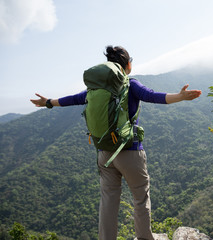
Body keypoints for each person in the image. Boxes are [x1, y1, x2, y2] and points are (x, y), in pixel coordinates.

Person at [30, 45, 202, 240]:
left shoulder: (96, 90)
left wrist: (48, 102)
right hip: (130, 152)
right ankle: (144, 237)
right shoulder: (131, 84)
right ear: (128, 64)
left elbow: (74, 99)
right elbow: (152, 96)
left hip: (104, 153)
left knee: (108, 200)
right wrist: (179, 97)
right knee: (140, 197)